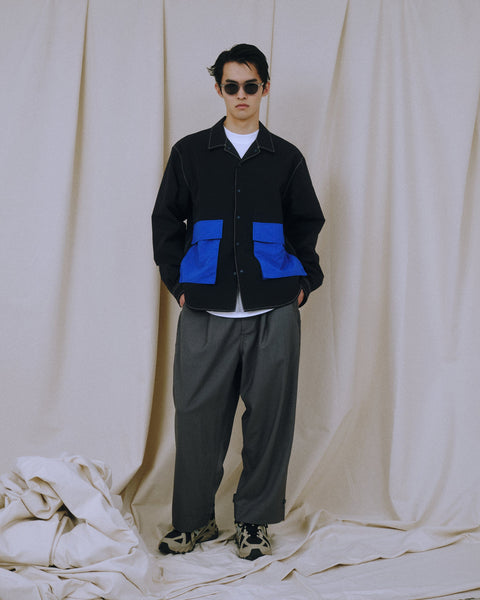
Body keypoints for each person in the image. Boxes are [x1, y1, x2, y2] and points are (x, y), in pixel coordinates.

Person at [151, 43, 324, 560]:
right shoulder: (190, 153)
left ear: (265, 89)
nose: (241, 95)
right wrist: (179, 283)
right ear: (219, 89)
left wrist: (303, 283)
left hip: (274, 308)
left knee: (270, 421)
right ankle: (194, 522)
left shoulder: (286, 157)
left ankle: (254, 523)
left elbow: (306, 223)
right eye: (232, 86)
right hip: (206, 308)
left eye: (251, 86)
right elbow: (166, 222)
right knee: (196, 419)